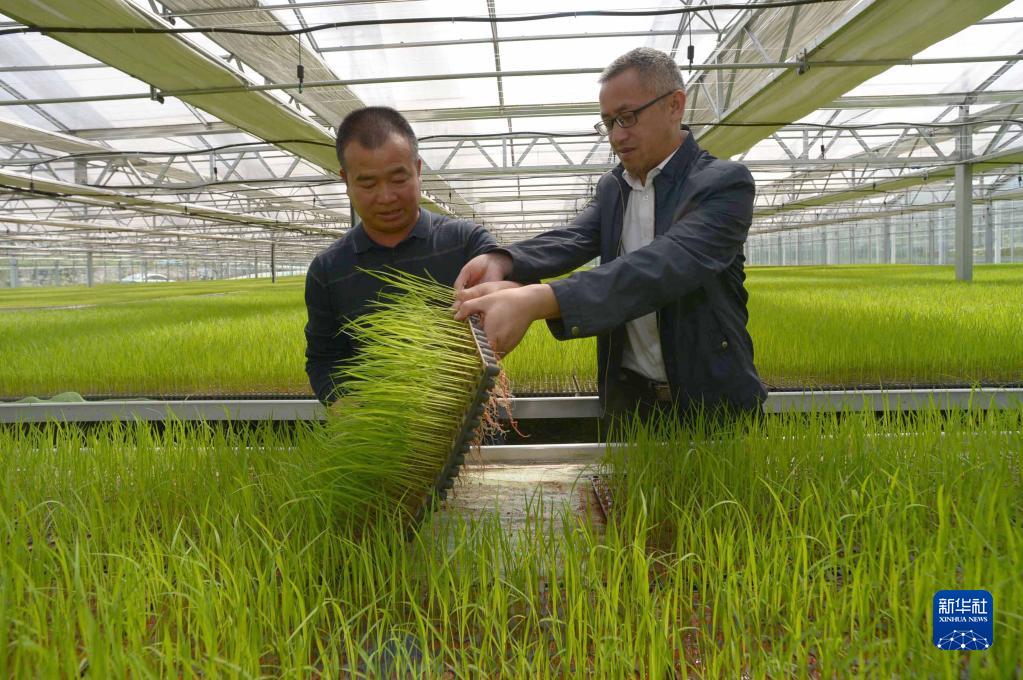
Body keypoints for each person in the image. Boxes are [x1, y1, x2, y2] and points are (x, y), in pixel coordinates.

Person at [454, 47, 765, 421]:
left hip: (714, 402)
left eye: (628, 117)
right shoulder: (614, 187)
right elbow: (574, 238)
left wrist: (538, 299)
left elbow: (664, 265)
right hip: (631, 404)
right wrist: (502, 260)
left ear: (675, 105)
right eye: (608, 123)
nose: (617, 136)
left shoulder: (723, 184)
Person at [305, 106, 497, 404]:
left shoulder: (468, 244)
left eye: (398, 179)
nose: (386, 197)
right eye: (368, 183)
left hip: (469, 420)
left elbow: (510, 303)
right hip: (380, 428)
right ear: (346, 181)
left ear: (418, 170)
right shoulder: (327, 270)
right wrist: (343, 404)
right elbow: (323, 359)